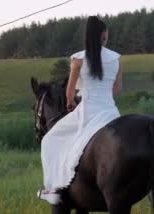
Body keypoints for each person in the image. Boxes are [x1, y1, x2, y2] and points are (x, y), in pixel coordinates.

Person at [38, 16, 123, 204]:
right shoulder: (116, 58)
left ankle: (53, 190)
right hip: (110, 112)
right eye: (106, 32)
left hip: (87, 112)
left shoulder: (77, 60)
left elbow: (69, 92)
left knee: (50, 140)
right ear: (103, 34)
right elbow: (117, 88)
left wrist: (70, 103)